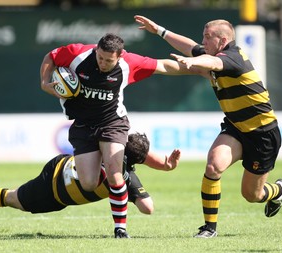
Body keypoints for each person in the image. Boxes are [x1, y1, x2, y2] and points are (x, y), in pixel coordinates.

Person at [134, 15, 282, 238]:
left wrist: (194, 62)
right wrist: (159, 30)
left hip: (262, 134)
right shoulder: (212, 53)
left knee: (252, 195)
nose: (203, 42)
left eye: (208, 38)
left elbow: (212, 63)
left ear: (222, 40)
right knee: (213, 167)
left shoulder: (233, 57)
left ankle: (277, 190)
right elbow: (191, 47)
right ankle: (209, 228)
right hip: (236, 128)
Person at [39, 33, 190, 238]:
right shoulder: (78, 54)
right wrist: (44, 82)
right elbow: (52, 56)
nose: (102, 63)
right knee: (89, 183)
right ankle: (120, 168)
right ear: (96, 50)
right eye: (100, 57)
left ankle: (120, 229)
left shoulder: (129, 63)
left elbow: (163, 66)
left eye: (108, 60)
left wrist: (197, 67)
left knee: (114, 173)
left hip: (113, 123)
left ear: (119, 57)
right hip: (83, 125)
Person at [0, 133, 181, 230]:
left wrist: (164, 165)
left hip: (62, 174)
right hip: (53, 185)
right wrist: (135, 186)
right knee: (15, 199)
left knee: (15, 199)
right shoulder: (124, 175)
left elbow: (138, 153)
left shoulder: (112, 142)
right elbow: (148, 208)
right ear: (135, 162)